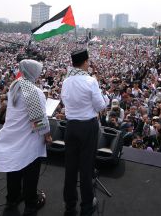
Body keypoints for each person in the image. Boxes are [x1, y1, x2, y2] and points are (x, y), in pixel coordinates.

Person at [0, 59, 51, 216]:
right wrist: (47, 136)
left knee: (14, 170)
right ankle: (31, 204)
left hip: (12, 136)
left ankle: (13, 198)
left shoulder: (15, 85)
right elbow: (38, 121)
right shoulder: (33, 91)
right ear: (33, 72)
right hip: (28, 139)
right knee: (31, 173)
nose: (40, 74)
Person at [61, 48, 107, 216]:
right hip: (87, 127)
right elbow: (101, 106)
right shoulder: (90, 81)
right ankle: (87, 205)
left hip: (71, 126)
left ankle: (70, 204)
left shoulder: (66, 81)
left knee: (70, 168)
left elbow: (64, 101)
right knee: (86, 168)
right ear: (85, 62)